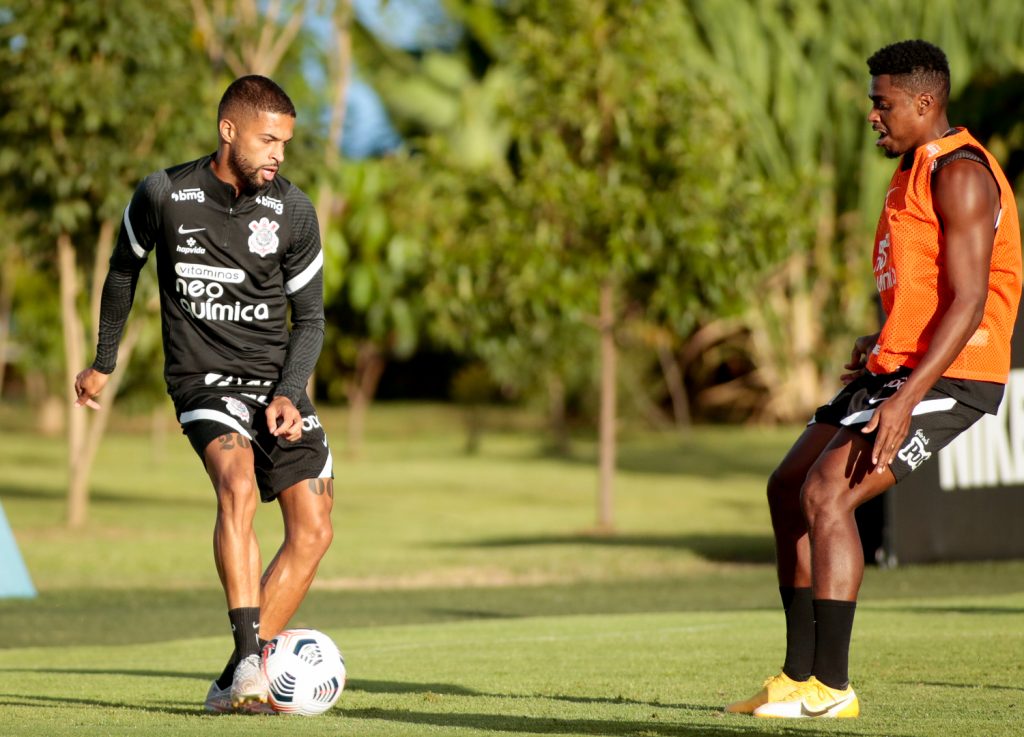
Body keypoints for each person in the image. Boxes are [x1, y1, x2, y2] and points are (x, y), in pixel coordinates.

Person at [725, 39, 1022, 719]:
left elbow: (971, 300)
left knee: (830, 494)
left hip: (957, 372)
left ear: (924, 102)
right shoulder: (913, 169)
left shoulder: (961, 173)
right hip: (900, 365)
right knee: (787, 488)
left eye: (882, 102)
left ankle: (832, 687)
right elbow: (928, 291)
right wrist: (883, 343)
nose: (872, 115)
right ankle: (797, 676)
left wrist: (907, 396)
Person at [74, 76, 334, 714]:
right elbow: (122, 270)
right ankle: (251, 658)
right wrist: (104, 361)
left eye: (285, 143)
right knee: (238, 485)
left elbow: (312, 320)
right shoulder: (165, 193)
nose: (278, 153)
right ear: (228, 130)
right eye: (267, 139)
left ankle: (235, 679)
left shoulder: (294, 211)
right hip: (203, 378)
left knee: (314, 530)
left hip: (275, 380)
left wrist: (289, 391)